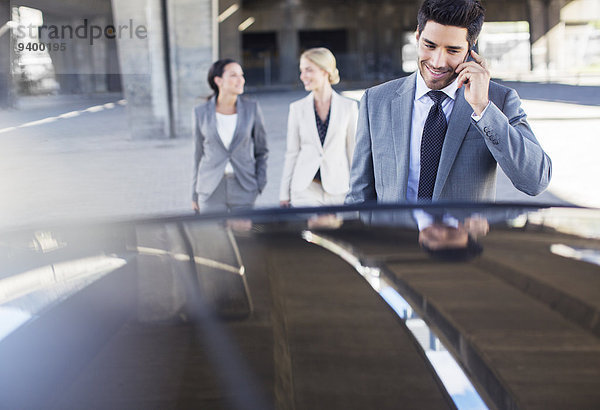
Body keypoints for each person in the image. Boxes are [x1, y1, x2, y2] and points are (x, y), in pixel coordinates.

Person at [346, 0, 552, 205]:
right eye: (429, 45)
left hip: (461, 237)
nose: (437, 62)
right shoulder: (376, 100)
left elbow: (535, 181)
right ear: (417, 36)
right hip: (394, 236)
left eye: (452, 50)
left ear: (470, 49)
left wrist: (483, 108)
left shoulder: (498, 100)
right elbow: (359, 195)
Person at [279, 47, 358, 207]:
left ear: (325, 71)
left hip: (339, 188)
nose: (303, 76)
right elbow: (292, 153)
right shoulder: (297, 108)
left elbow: (354, 152)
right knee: (310, 231)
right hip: (304, 187)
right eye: (301, 71)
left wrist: (358, 189)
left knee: (335, 232)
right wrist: (284, 193)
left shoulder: (348, 107)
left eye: (308, 70)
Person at [192, 59, 268, 213]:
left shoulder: (251, 109)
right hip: (210, 188)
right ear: (218, 80)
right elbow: (198, 155)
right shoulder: (200, 112)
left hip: (244, 186)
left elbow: (262, 151)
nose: (241, 80)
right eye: (234, 75)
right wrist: (194, 194)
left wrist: (259, 184)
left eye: (242, 75)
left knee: (243, 236)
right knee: (213, 236)